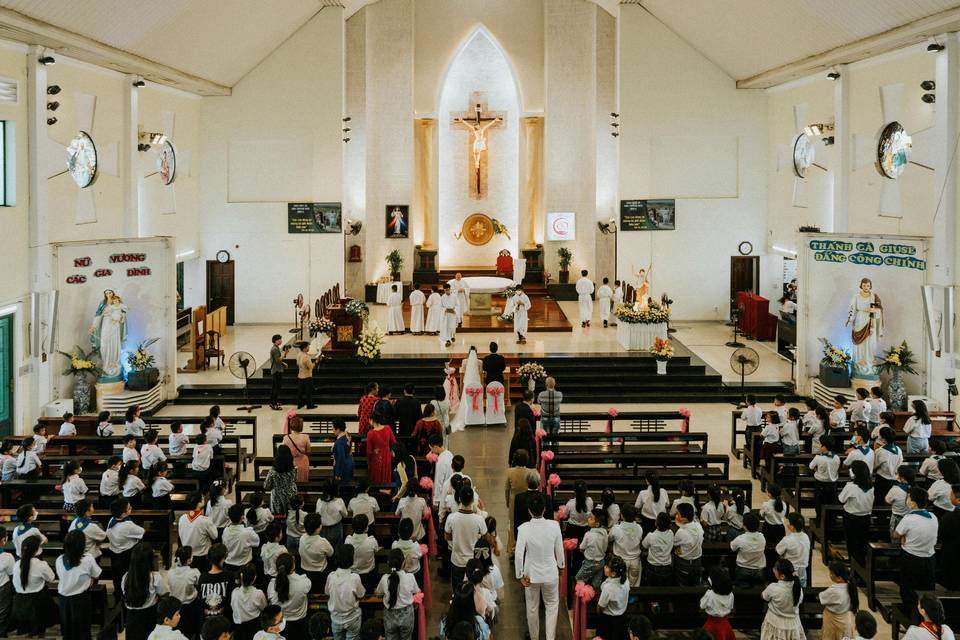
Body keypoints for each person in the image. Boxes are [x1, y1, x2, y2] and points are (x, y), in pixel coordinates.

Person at [515, 493, 563, 640]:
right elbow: (559, 549)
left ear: (529, 510)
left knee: (532, 608)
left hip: (531, 574)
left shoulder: (524, 528)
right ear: (544, 509)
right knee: (552, 606)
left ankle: (534, 637)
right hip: (550, 572)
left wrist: (519, 575)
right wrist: (561, 566)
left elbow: (518, 553)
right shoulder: (554, 526)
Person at [894, 487, 939, 614]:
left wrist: (903, 536)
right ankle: (927, 614)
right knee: (927, 589)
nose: (907, 500)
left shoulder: (909, 518)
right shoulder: (933, 517)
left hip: (911, 558)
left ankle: (910, 614)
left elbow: (896, 534)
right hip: (930, 558)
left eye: (909, 498)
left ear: (913, 503)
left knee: (908, 589)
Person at [55, 529, 100, 640]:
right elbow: (96, 574)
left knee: (67, 630)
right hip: (81, 599)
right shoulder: (88, 559)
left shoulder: (59, 559)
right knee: (83, 630)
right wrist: (90, 581)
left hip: (63, 600)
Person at [123, 542, 168, 640]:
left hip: (131, 618)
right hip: (149, 617)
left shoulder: (126, 577)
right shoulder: (154, 577)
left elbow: (124, 593)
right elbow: (164, 594)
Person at [445, 486, 487, 586]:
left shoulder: (451, 518)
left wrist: (457, 537)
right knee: (473, 591)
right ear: (473, 500)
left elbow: (447, 536)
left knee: (458, 590)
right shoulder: (479, 519)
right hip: (473, 561)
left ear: (459, 499)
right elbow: (485, 538)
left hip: (457, 560)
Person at [375, 548, 420, 640]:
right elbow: (416, 591)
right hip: (407, 614)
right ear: (403, 562)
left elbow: (378, 593)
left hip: (390, 615)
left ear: (388, 563)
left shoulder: (385, 578)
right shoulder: (410, 577)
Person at [326, 545, 365, 640]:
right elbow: (361, 594)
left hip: (336, 618)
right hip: (352, 617)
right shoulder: (354, 578)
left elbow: (327, 592)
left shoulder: (331, 576)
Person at [268, 554, 311, 638]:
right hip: (300, 624)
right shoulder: (303, 582)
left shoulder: (272, 585)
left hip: (281, 625)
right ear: (293, 566)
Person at [839, 460, 874, 566]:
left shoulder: (851, 487)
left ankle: (854, 565)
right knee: (862, 543)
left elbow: (841, 499)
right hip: (866, 518)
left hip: (851, 518)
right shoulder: (870, 486)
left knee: (852, 543)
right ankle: (861, 564)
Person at [760, 559, 805, 640]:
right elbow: (799, 601)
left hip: (775, 622)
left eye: (775, 569)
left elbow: (764, 597)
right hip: (793, 623)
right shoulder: (798, 588)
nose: (773, 570)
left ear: (782, 576)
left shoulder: (773, 587)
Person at [168, 547, 202, 640]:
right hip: (190, 606)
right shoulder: (194, 572)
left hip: (174, 606)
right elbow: (199, 586)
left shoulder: (170, 572)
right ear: (189, 559)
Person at [819, 561, 858, 640]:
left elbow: (821, 597)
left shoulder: (834, 590)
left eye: (832, 573)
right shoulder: (850, 587)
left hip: (833, 620)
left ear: (839, 578)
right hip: (845, 619)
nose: (830, 575)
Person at [597, 555, 630, 640]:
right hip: (622, 618)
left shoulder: (608, 588)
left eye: (607, 567)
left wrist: (599, 613)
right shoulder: (625, 580)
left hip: (609, 621)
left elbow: (600, 606)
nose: (605, 567)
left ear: (613, 573)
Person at [451, 347, 484, 431]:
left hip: (468, 381)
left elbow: (463, 370)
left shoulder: (464, 361)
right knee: (477, 398)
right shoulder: (480, 362)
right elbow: (480, 372)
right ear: (476, 353)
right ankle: (477, 416)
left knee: (466, 399)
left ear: (468, 353)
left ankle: (467, 415)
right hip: (476, 381)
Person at [610, 504, 643, 586]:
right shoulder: (639, 528)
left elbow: (609, 538)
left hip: (621, 561)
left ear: (622, 515)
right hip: (635, 561)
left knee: (620, 585)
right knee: (633, 586)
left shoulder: (616, 528)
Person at [731, 512, 766, 587]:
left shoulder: (740, 539)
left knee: (742, 590)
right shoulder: (762, 537)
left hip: (743, 569)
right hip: (759, 570)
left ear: (745, 526)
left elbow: (732, 547)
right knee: (757, 589)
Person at [673, 502, 704, 586]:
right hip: (697, 561)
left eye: (678, 514)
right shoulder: (698, 526)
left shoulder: (681, 532)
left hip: (684, 563)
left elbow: (674, 544)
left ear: (684, 519)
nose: (676, 515)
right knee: (696, 584)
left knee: (683, 583)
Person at [700, 566, 735, 640]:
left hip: (711, 624)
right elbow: (731, 607)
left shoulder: (709, 594)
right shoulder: (731, 594)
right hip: (725, 624)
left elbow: (702, 606)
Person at [776, 513, 811, 587]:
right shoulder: (806, 537)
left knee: (789, 590)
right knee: (800, 590)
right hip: (803, 570)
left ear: (792, 527)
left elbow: (778, 550)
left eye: (788, 522)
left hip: (791, 570)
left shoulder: (787, 540)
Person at [938, 485, 960, 590]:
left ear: (958, 499)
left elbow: (940, 534)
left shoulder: (950, 517)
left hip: (952, 557)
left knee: (953, 586)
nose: (949, 497)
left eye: (951, 494)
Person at [875, 426, 904, 503]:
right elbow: (900, 464)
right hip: (895, 479)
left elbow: (875, 465)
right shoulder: (899, 449)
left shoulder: (880, 451)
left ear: (884, 439)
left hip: (882, 479)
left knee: (880, 499)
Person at [366, 412, 397, 485]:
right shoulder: (388, 428)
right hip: (387, 455)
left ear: (372, 420)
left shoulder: (370, 433)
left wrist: (369, 461)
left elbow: (369, 451)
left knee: (377, 477)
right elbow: (394, 442)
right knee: (386, 475)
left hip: (376, 456)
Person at [296, 343, 317, 410]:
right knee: (308, 392)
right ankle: (309, 405)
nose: (309, 348)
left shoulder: (299, 354)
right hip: (307, 376)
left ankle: (299, 404)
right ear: (304, 348)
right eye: (308, 347)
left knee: (300, 391)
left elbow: (297, 363)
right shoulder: (306, 356)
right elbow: (311, 367)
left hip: (300, 375)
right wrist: (316, 362)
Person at [269, 334, 287, 411]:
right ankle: (274, 404)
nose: (281, 341)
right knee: (276, 388)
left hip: (277, 369)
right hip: (276, 370)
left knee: (274, 387)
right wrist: (284, 354)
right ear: (276, 341)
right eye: (279, 339)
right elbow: (278, 360)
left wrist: (284, 363)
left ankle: (272, 402)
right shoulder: (275, 349)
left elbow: (278, 359)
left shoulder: (276, 348)